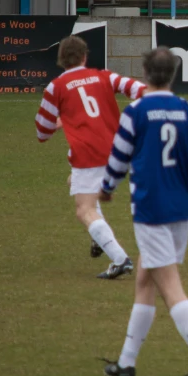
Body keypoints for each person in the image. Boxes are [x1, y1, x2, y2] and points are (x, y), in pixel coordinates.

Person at [99, 47, 188, 376]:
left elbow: (118, 157)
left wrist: (107, 187)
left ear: (145, 73)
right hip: (180, 208)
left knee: (169, 286)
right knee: (144, 280)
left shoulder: (136, 111)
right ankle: (127, 363)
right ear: (173, 73)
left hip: (150, 208)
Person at [35, 35, 144, 279]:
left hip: (88, 153)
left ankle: (119, 259)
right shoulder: (105, 76)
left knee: (84, 210)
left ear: (61, 61)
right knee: (73, 183)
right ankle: (98, 237)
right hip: (118, 149)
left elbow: (42, 130)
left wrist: (60, 122)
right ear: (85, 57)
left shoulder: (56, 87)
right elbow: (139, 90)